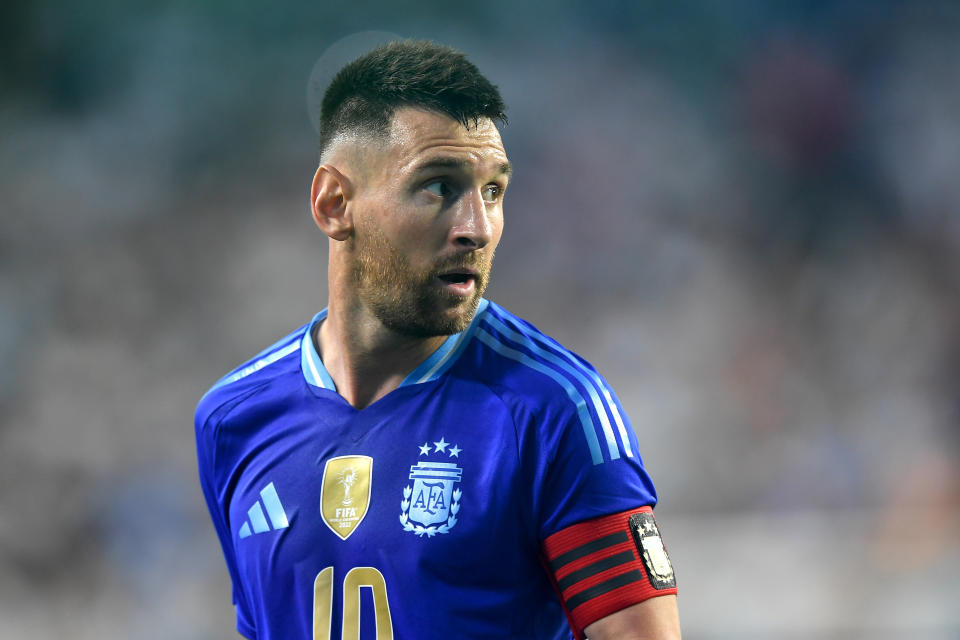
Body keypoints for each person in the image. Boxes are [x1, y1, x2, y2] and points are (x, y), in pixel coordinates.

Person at [195, 39, 681, 640]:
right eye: (439, 187)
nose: (476, 227)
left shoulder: (554, 410)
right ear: (334, 202)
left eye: (493, 191)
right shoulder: (233, 419)